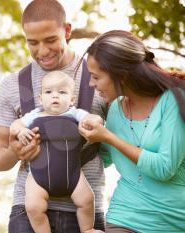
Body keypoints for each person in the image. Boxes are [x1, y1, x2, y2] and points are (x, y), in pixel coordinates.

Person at [0, 0, 106, 232]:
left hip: (85, 211)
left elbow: (123, 138)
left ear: (67, 30)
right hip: (28, 211)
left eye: (50, 40)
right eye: (32, 43)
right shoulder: (13, 85)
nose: (42, 51)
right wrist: (16, 151)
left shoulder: (99, 78)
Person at [79, 30, 185, 232]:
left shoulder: (174, 99)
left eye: (96, 77)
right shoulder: (116, 109)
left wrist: (108, 137)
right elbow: (104, 158)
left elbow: (165, 168)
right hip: (125, 215)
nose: (91, 84)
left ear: (122, 75)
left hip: (174, 220)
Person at [10, 71, 103, 233]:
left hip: (73, 176)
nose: (55, 96)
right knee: (32, 207)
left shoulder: (75, 113)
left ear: (72, 99)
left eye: (62, 92)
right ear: (40, 99)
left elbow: (96, 119)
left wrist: (93, 122)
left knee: (87, 199)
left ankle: (87, 229)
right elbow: (15, 125)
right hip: (39, 178)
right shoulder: (34, 116)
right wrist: (20, 131)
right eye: (48, 92)